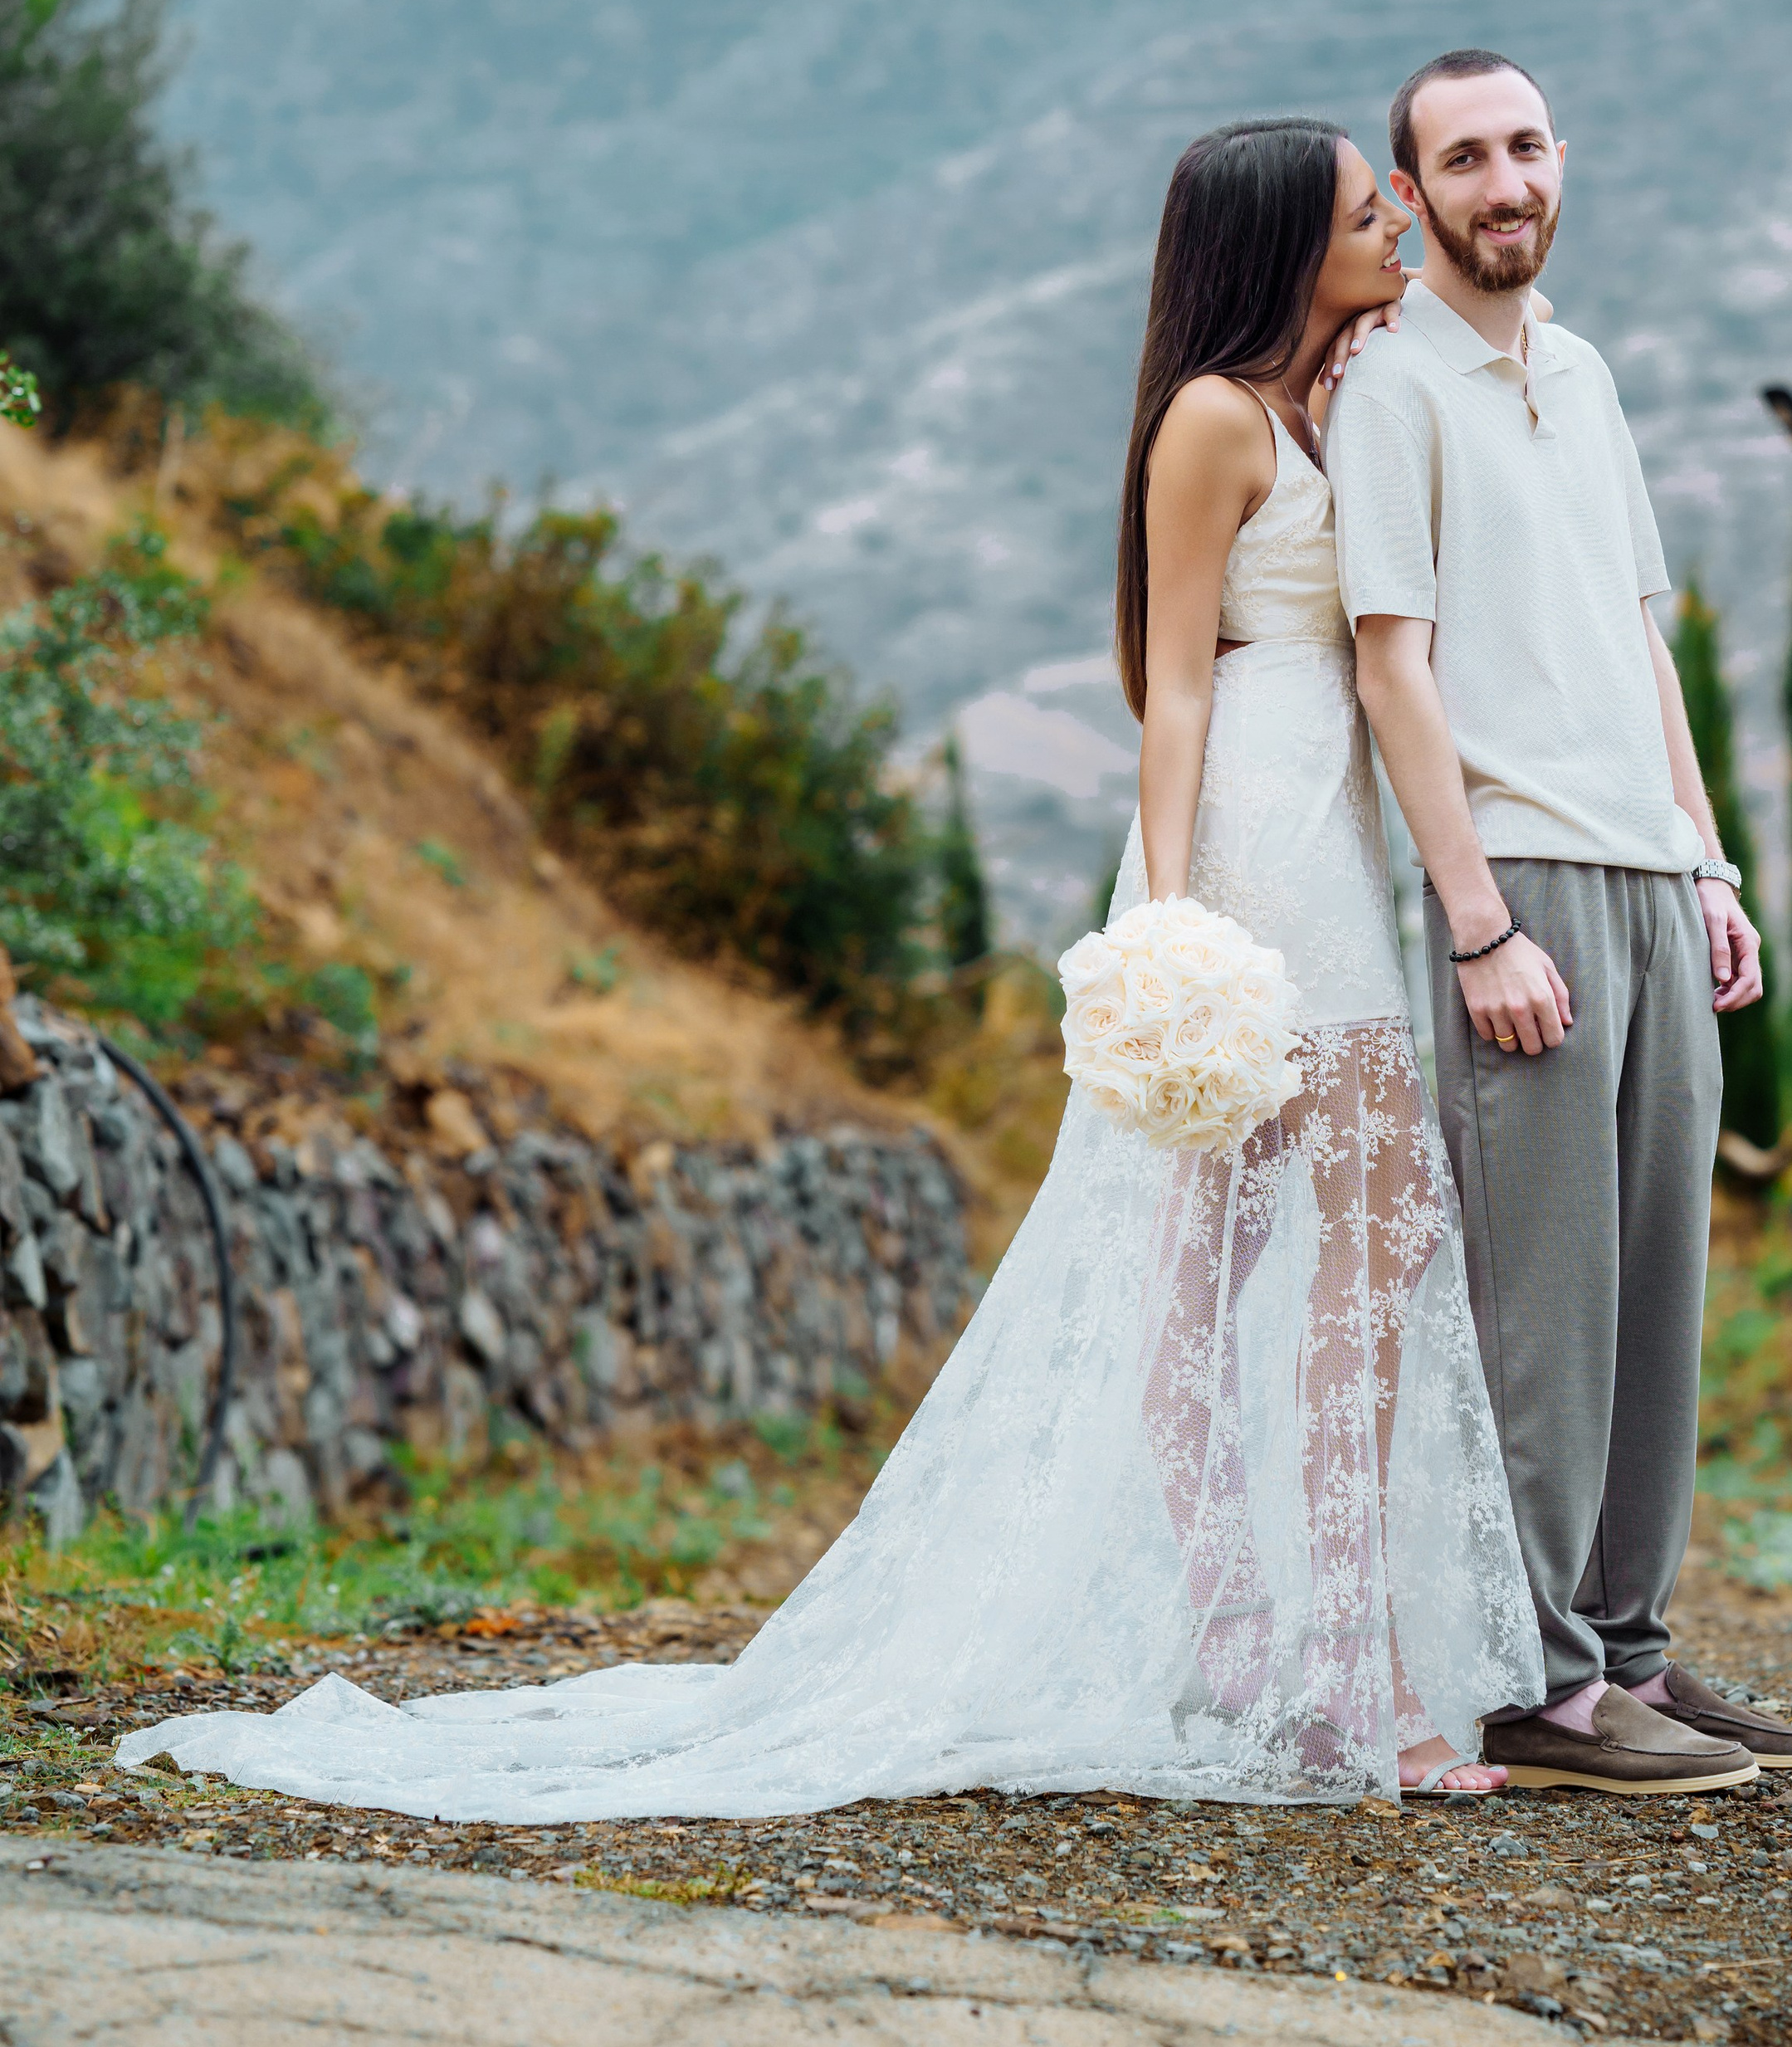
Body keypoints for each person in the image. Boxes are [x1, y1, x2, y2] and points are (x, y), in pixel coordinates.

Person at [120, 115, 1540, 1828]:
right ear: (1269, 246)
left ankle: (1337, 1659)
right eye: (1358, 206)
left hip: (1345, 840)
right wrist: (1166, 924)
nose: (1394, 218)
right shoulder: (1211, 422)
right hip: (1254, 845)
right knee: (1187, 1272)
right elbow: (1170, 688)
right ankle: (1274, 1657)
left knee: (1359, 1276)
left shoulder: (1344, 397)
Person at [1325, 49, 1792, 1795]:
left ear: (1560, 160)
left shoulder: (1587, 376)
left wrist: (1705, 863)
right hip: (1513, 883)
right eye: (1460, 159)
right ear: (1413, 194)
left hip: (1642, 873)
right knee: (1538, 1308)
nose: (1502, 180)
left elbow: (1636, 636)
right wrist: (1472, 924)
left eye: (1523, 144)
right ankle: (1532, 1681)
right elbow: (1391, 661)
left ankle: (1631, 1657)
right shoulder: (1388, 387)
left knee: (1648, 1297)